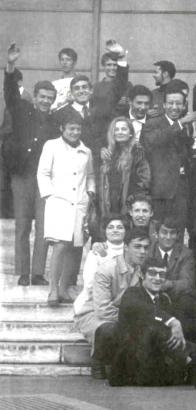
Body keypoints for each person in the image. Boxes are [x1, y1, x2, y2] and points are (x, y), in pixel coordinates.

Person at [3, 43, 59, 286]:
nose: (46, 101)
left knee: (44, 227)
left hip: (45, 180)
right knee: (23, 225)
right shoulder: (22, 109)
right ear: (34, 97)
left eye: (50, 98)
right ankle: (23, 273)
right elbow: (10, 93)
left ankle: (38, 273)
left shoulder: (57, 120)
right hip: (23, 176)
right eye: (43, 97)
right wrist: (11, 66)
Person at [73, 227, 149, 379]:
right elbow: (102, 310)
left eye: (146, 247)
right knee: (107, 329)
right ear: (126, 247)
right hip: (92, 313)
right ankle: (98, 361)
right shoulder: (107, 269)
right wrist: (130, 319)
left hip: (120, 314)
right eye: (137, 246)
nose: (142, 251)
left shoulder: (143, 272)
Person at [37, 113, 95, 306]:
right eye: (71, 128)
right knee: (60, 246)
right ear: (62, 128)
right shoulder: (51, 146)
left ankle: (64, 288)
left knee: (74, 247)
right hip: (58, 203)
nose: (75, 132)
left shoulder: (86, 151)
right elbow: (43, 173)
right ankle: (53, 289)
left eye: (78, 129)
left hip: (79, 204)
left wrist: (91, 192)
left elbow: (91, 175)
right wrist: (50, 196)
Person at [109, 259, 193, 386]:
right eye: (152, 273)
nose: (157, 278)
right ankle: (195, 369)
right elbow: (147, 311)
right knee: (154, 329)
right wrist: (173, 321)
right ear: (142, 275)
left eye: (162, 274)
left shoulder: (164, 299)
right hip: (131, 366)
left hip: (155, 362)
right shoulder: (132, 293)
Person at [140, 82, 196, 231]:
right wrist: (179, 124)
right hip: (160, 190)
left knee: (178, 232)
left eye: (178, 103)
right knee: (157, 232)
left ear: (184, 106)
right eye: (170, 103)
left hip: (182, 190)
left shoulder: (188, 126)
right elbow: (154, 142)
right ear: (164, 105)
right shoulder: (152, 124)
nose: (174, 107)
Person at [73, 214, 126, 323]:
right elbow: (89, 283)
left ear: (126, 231)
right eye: (110, 227)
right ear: (105, 231)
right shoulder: (96, 252)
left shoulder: (131, 251)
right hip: (97, 301)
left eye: (119, 227)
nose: (115, 230)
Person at [97, 116, 150, 219]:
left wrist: (131, 201)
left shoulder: (137, 151)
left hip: (127, 204)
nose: (120, 132)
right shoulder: (108, 152)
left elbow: (144, 180)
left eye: (124, 129)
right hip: (109, 203)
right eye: (116, 129)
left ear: (130, 133)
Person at [147, 217, 195, 299]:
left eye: (172, 233)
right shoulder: (148, 251)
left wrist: (169, 284)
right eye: (164, 232)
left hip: (175, 299)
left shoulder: (186, 254)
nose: (168, 237)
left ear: (177, 235)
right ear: (157, 234)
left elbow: (187, 283)